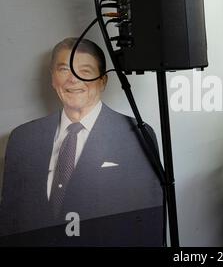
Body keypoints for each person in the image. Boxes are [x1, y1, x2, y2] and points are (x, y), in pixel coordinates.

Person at [0, 38, 163, 246]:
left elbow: (149, 226)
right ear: (52, 78)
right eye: (64, 70)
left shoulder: (136, 134)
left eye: (85, 71)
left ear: (103, 80)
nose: (73, 80)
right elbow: (9, 222)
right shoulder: (22, 138)